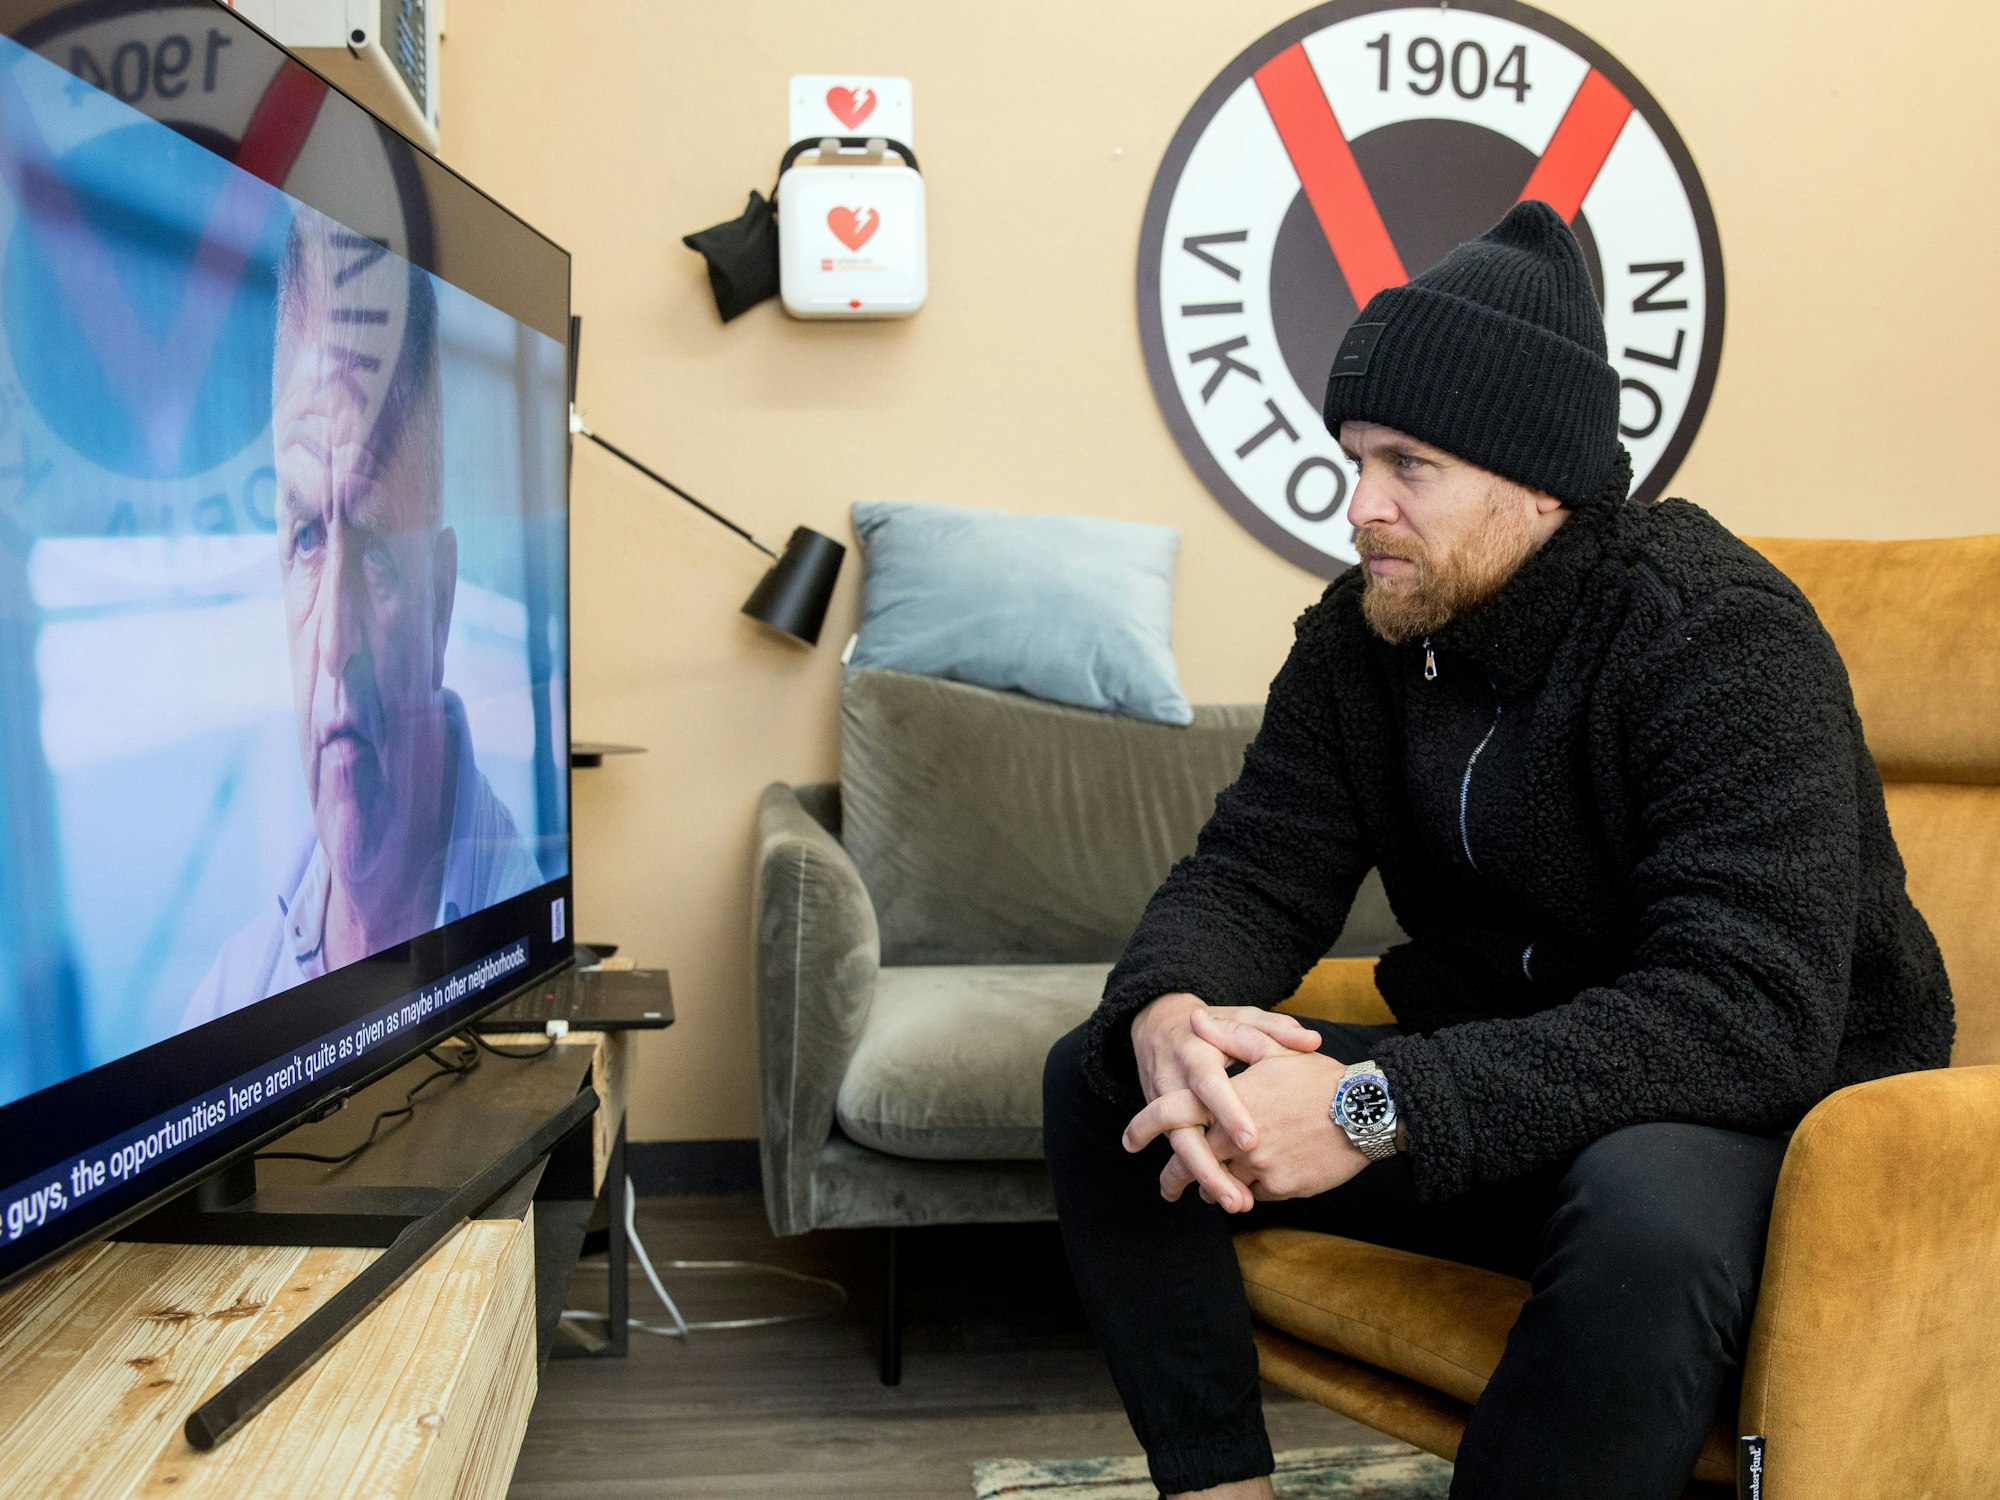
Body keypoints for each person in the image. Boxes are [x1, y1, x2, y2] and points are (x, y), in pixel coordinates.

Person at [1042, 201, 1953, 1500]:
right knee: (1107, 1086)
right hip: (1505, 1090)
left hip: (1764, 1122)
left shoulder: (1717, 637)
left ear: (1541, 483)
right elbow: (1253, 873)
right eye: (1353, 457)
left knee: (1644, 1212)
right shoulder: (1360, 643)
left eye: (1407, 464)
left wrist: (1376, 1106)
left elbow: (1745, 1016)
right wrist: (1173, 1005)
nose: (1361, 506)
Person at [184, 212, 541, 1027]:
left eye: (376, 545)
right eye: (306, 536)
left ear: (441, 605)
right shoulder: (226, 1001)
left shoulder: (516, 928)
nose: (335, 645)